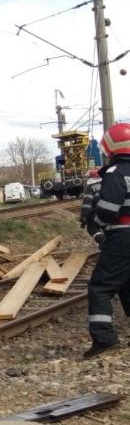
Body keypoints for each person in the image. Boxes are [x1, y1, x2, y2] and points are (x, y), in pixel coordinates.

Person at [85, 122, 130, 358]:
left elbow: (108, 210)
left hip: (122, 236)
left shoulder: (115, 173)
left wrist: (95, 221)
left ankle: (104, 339)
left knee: (100, 287)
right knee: (127, 282)